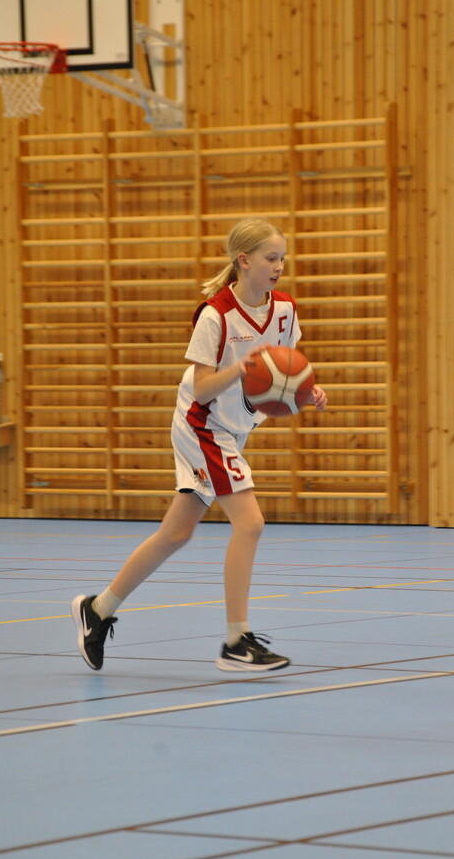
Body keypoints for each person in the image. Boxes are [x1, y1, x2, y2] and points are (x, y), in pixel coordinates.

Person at [71, 217, 328, 673]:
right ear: (243, 260)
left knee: (177, 532)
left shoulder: (285, 310)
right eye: (271, 258)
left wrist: (307, 393)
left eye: (282, 259)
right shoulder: (216, 315)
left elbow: (287, 370)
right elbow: (204, 387)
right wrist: (242, 369)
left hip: (233, 427)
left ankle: (99, 608)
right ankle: (236, 641)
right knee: (250, 524)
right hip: (202, 423)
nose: (279, 266)